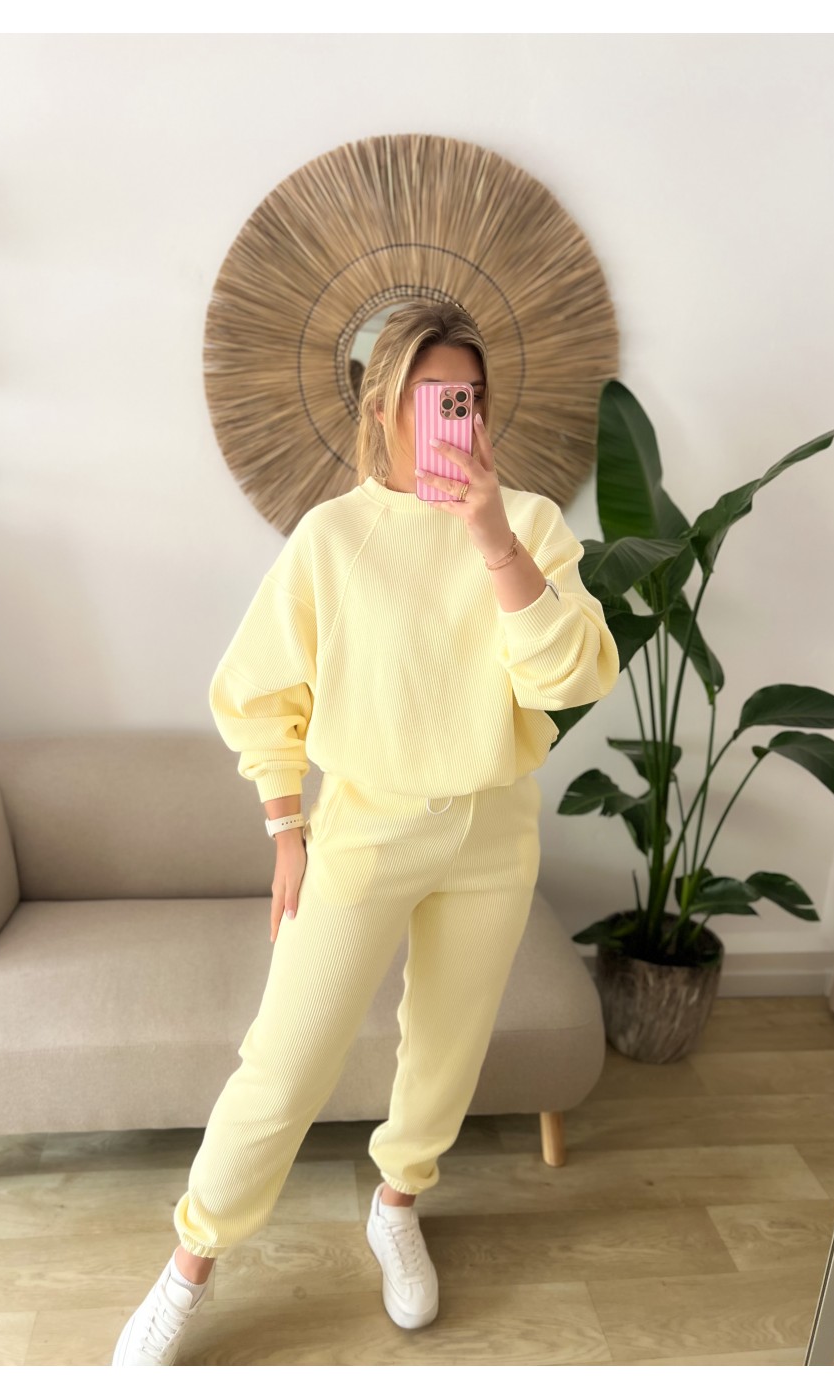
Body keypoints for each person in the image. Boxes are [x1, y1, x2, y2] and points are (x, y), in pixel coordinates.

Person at [112, 300, 621, 1365]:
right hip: (365, 825)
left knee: (447, 1045)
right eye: (433, 399)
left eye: (468, 399)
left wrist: (491, 540)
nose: (454, 419)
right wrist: (285, 824)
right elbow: (257, 691)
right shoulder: (333, 537)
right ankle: (190, 1260)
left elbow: (571, 677)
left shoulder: (529, 524)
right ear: (384, 407)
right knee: (285, 1059)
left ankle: (398, 1202)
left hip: (491, 830)